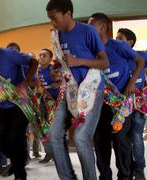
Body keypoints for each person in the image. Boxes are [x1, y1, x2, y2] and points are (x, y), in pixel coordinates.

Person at [46, 0, 109, 179]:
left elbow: (104, 62)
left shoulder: (87, 31)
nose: (52, 22)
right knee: (54, 134)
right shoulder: (56, 34)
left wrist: (78, 61)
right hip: (69, 91)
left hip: (91, 91)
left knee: (81, 138)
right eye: (50, 18)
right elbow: (61, 63)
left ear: (68, 14)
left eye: (54, 18)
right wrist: (56, 72)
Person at [88, 13, 145, 180]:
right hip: (98, 103)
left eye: (91, 26)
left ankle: (125, 175)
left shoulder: (118, 46)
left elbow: (140, 61)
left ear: (102, 27)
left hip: (121, 102)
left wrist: (131, 83)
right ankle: (105, 176)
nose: (87, 30)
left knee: (120, 138)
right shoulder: (89, 49)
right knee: (100, 141)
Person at [0, 29, 38, 180]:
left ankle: (19, 174)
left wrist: (24, 84)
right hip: (2, 104)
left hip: (19, 104)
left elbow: (33, 62)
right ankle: (18, 161)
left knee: (13, 138)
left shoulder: (9, 55)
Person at [116, 28, 147, 180]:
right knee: (123, 138)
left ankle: (140, 169)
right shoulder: (116, 57)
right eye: (116, 38)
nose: (117, 40)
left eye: (120, 38)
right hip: (121, 105)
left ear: (130, 42)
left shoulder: (142, 55)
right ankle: (129, 166)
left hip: (139, 104)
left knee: (136, 136)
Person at [36, 48, 59, 163]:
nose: (41, 57)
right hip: (43, 100)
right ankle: (48, 152)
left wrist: (58, 83)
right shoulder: (37, 71)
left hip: (56, 101)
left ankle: (57, 154)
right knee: (41, 126)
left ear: (50, 58)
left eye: (44, 55)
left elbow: (66, 79)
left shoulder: (54, 68)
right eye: (40, 55)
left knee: (53, 127)